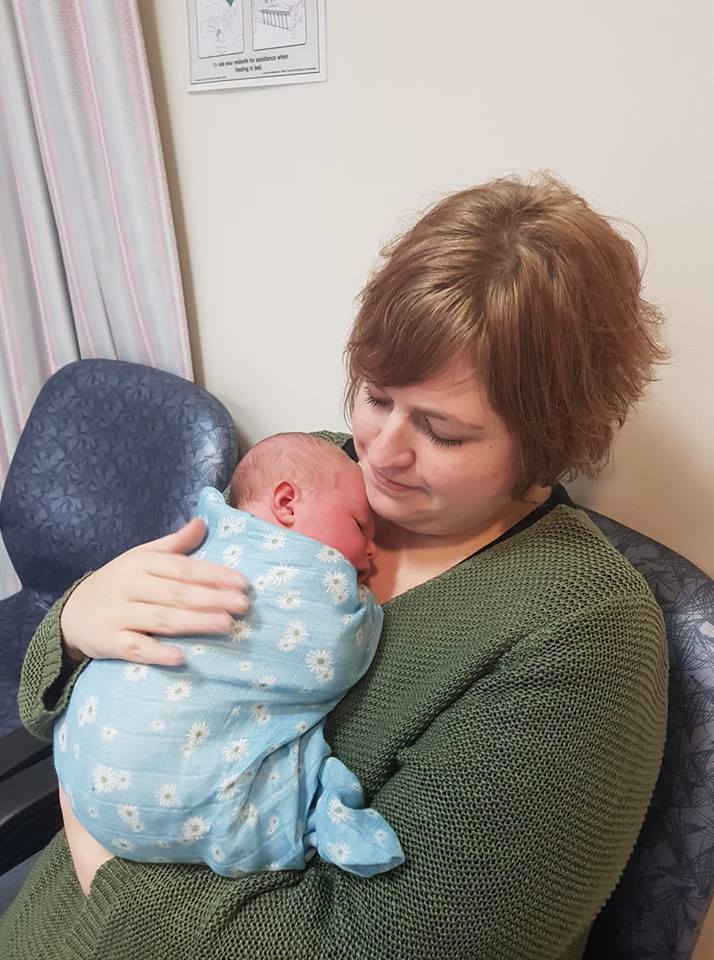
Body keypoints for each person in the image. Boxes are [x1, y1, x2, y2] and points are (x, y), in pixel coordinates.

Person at [1, 172, 669, 960]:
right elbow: (71, 700)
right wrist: (76, 625)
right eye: (376, 396)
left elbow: (380, 944)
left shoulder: (582, 632)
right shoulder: (313, 477)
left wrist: (101, 860)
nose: (380, 453)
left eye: (443, 432)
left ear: (549, 437)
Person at [53, 433, 403, 887]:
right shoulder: (270, 532)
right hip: (116, 775)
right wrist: (71, 618)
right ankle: (317, 815)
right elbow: (330, 654)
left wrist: (89, 855)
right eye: (360, 526)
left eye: (446, 432)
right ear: (286, 503)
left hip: (80, 767)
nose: (371, 550)